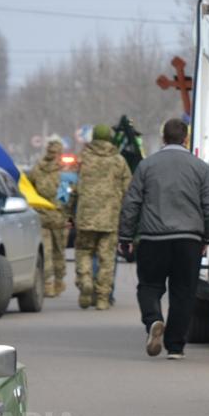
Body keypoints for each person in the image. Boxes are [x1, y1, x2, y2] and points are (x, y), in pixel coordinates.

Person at [119, 118, 209, 359]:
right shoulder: (200, 167)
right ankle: (175, 346)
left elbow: (132, 202)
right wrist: (207, 235)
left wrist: (126, 235)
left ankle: (153, 319)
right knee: (184, 292)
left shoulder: (147, 165)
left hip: (153, 239)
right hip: (189, 240)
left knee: (149, 286)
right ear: (185, 138)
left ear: (163, 137)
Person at [74, 124, 131, 311]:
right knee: (107, 259)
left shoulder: (84, 159)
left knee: (84, 252)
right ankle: (103, 298)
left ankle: (85, 282)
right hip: (110, 219)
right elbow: (128, 190)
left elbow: (75, 188)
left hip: (86, 217)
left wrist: (68, 212)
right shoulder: (119, 161)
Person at [28, 136, 69, 298]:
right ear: (59, 153)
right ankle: (59, 282)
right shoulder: (64, 171)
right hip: (58, 217)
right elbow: (68, 195)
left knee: (45, 251)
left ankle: (47, 284)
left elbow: (29, 189)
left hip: (41, 216)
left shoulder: (37, 168)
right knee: (59, 251)